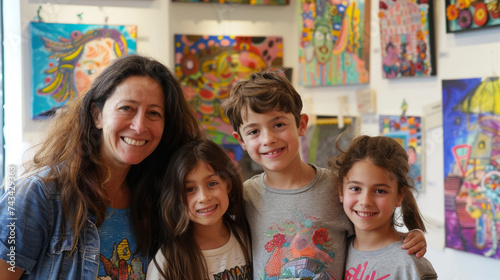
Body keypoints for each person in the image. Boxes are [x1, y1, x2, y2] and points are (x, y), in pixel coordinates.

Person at [0, 54, 203, 279]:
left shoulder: (159, 198)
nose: (139, 126)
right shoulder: (38, 195)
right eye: (127, 108)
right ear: (97, 115)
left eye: (154, 113)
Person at [222, 69, 428, 280]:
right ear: (241, 141)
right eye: (254, 131)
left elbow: (373, 234)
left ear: (301, 125)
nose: (268, 139)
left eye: (278, 124)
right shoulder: (243, 196)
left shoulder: (337, 187)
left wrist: (412, 237)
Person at [329, 135, 437, 279]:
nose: (365, 201)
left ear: (400, 196)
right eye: (355, 188)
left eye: (380, 191)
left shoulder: (409, 265)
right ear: (341, 190)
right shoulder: (336, 248)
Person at [146, 139, 252, 280]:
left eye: (212, 183)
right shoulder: (169, 261)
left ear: (228, 185)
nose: (203, 197)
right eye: (190, 189)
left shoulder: (248, 237)